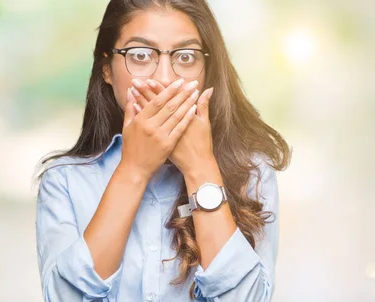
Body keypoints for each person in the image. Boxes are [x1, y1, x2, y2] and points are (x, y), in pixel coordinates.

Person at [35, 0, 291, 301]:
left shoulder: (253, 173)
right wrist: (134, 170)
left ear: (207, 70)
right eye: (140, 55)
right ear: (107, 68)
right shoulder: (64, 181)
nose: (165, 79)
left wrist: (200, 168)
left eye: (186, 56)